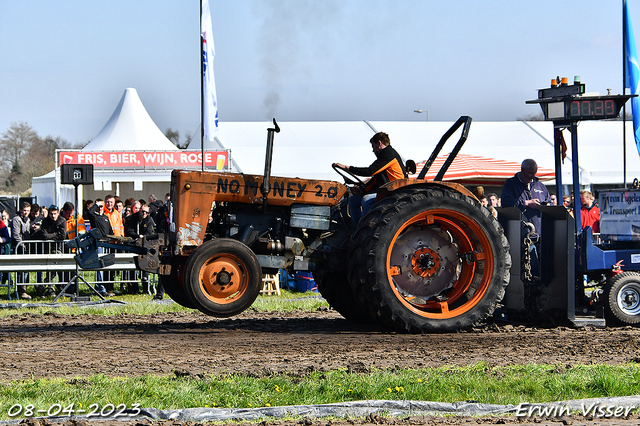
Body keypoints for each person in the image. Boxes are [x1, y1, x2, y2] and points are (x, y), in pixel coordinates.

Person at [333, 132, 407, 224]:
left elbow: (370, 171)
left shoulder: (388, 154)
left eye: (373, 147)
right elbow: (375, 179)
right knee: (353, 200)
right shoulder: (384, 158)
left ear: (379, 143)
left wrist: (347, 168)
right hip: (385, 190)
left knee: (366, 200)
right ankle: (357, 229)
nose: (373, 151)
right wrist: (362, 190)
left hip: (394, 192)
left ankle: (367, 230)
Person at [501, 159, 550, 236]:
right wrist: (527, 203)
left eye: (534, 173)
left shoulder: (540, 185)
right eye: (530, 173)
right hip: (519, 235)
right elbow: (506, 202)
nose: (533, 176)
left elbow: (549, 202)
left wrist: (545, 206)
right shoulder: (511, 184)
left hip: (539, 234)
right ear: (522, 170)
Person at [32, 205, 66, 294]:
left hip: (58, 247)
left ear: (58, 213)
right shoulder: (46, 221)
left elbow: (62, 235)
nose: (53, 216)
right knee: (50, 268)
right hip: (47, 248)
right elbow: (44, 236)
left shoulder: (62, 221)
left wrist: (51, 236)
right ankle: (49, 287)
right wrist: (56, 234)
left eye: (55, 214)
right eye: (51, 214)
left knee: (58, 267)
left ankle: (46, 284)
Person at [124, 203, 156, 295]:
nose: (144, 214)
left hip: (144, 245)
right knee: (132, 265)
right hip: (133, 244)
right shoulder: (131, 218)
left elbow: (149, 232)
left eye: (146, 212)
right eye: (143, 211)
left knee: (144, 266)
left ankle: (146, 288)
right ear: (139, 211)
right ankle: (134, 288)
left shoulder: (149, 219)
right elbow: (129, 231)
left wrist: (143, 238)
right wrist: (138, 236)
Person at [85, 198, 114, 296]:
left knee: (106, 266)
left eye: (102, 206)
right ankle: (101, 288)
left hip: (107, 244)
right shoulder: (94, 217)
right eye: (99, 207)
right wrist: (96, 204)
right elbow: (89, 212)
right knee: (99, 265)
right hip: (98, 244)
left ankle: (103, 286)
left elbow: (110, 231)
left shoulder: (106, 217)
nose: (100, 208)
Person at [12, 201, 32, 299]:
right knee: (21, 271)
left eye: (28, 211)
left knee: (26, 270)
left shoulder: (28, 220)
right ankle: (21, 291)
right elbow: (16, 235)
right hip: (19, 248)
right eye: (24, 210)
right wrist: (22, 245)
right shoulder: (16, 219)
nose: (26, 212)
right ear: (20, 210)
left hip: (27, 247)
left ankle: (24, 289)